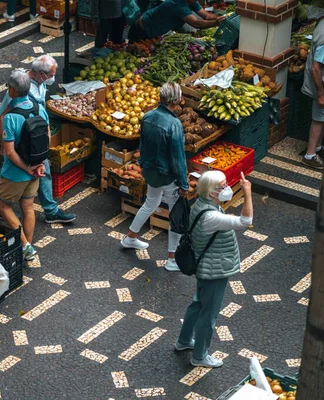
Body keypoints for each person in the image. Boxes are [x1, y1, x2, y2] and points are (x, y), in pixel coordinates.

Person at [176, 171, 253, 368]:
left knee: (197, 304)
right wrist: (247, 193)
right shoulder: (211, 216)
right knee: (208, 315)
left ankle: (184, 341)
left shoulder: (202, 204)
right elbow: (246, 221)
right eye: (222, 186)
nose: (227, 188)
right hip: (215, 270)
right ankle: (200, 356)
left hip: (205, 267)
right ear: (211, 192)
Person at [0, 56, 76, 224]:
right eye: (51, 74)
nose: (53, 78)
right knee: (11, 170)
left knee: (35, 170)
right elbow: (2, 119)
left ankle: (48, 210)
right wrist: (3, 144)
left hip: (34, 137)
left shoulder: (38, 83)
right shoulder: (20, 86)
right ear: (41, 73)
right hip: (20, 136)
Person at [120, 82, 188, 272]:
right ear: (176, 100)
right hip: (167, 176)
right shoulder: (174, 124)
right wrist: (183, 183)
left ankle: (130, 238)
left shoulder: (148, 116)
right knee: (175, 215)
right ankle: (172, 259)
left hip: (150, 171)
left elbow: (143, 145)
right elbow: (178, 157)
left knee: (151, 203)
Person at [0, 70, 48, 261]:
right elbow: (46, 137)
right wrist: (38, 164)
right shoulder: (39, 108)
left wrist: (26, 168)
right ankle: (27, 247)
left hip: (15, 173)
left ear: (12, 90)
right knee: (28, 206)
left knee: (2, 205)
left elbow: (9, 151)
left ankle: (25, 246)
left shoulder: (11, 117)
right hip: (36, 169)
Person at [128, 0, 224, 43]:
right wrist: (215, 23)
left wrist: (222, 17)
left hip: (155, 32)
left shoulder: (192, 1)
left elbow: (206, 16)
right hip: (141, 31)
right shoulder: (177, 4)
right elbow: (196, 23)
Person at [301, 19, 324, 169]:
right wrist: (321, 94)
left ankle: (317, 148)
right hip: (322, 86)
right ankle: (310, 155)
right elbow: (315, 68)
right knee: (319, 118)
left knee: (322, 118)